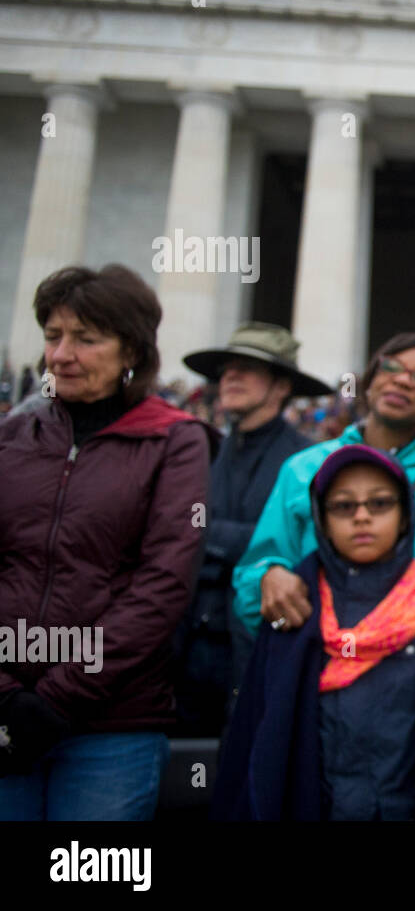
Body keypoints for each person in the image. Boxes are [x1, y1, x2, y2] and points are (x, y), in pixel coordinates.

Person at [0, 264, 219, 820]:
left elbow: (164, 583)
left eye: (86, 339)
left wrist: (59, 696)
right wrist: (6, 692)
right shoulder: (12, 438)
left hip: (113, 723)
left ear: (131, 353)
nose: (61, 355)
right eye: (53, 336)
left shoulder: (176, 441)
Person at [213, 444, 415, 820]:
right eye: (343, 506)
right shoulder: (293, 604)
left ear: (406, 516)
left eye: (379, 504)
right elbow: (259, 750)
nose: (361, 517)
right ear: (321, 520)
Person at [230, 333, 415, 655]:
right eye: (390, 367)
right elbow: (252, 576)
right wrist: (268, 579)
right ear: (369, 383)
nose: (402, 381)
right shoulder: (301, 470)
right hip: (312, 681)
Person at [174, 323, 332, 736]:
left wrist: (206, 535)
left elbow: (295, 549)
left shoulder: (307, 461)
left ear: (281, 387)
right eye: (227, 370)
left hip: (252, 641)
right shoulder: (203, 450)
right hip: (186, 643)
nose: (231, 378)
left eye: (247, 369)